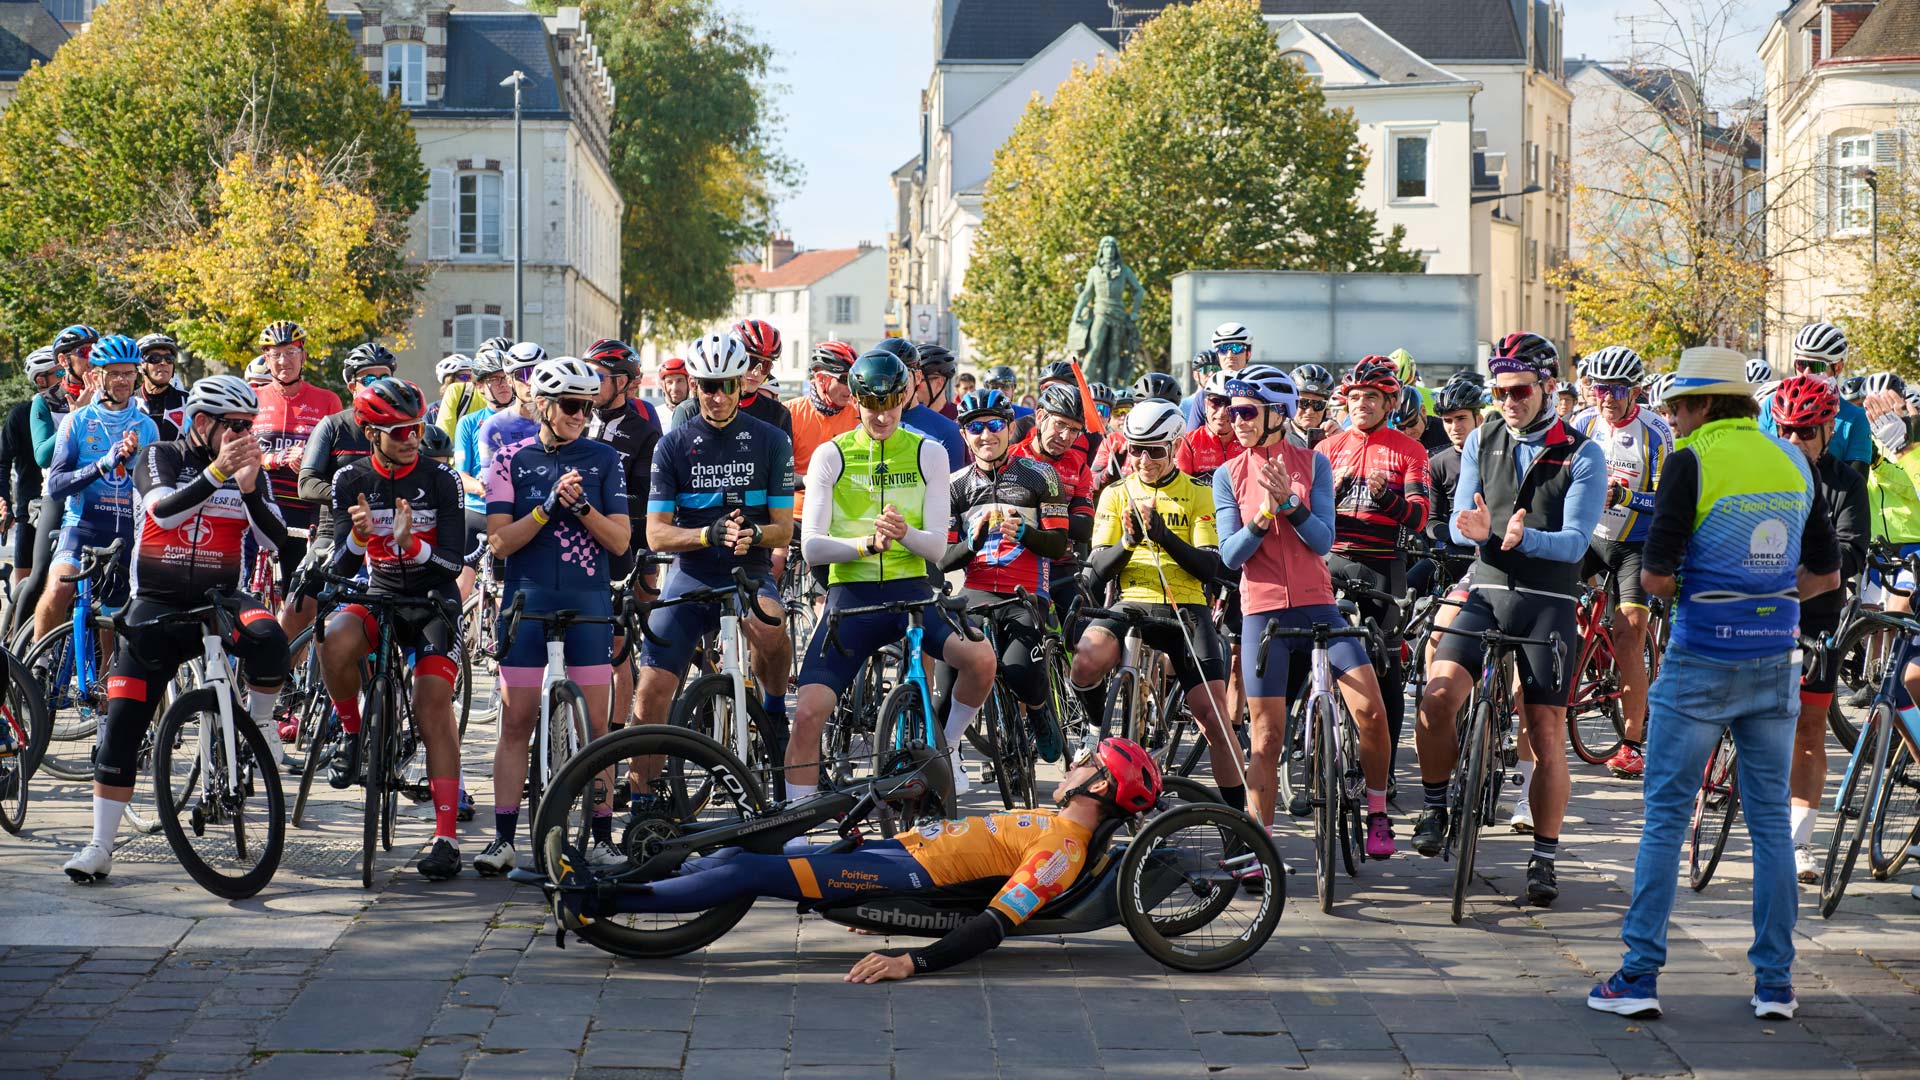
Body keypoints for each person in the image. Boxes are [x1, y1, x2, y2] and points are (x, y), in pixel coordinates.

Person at [1588, 346, 1841, 1023]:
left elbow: (1656, 574)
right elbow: (1826, 575)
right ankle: (1775, 984)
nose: (1670, 417)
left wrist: (1703, 588)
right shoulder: (1792, 459)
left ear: (1705, 405)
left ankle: (1638, 976)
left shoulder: (1690, 460)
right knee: (1769, 827)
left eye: (1677, 406)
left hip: (1702, 656)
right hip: (1773, 659)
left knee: (1665, 819)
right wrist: (1769, 594)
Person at [545, 738, 1161, 982]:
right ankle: (615, 878)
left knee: (750, 872)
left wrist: (910, 960)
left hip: (901, 874)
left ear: (1102, 787)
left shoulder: (1061, 852)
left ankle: (593, 901)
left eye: (1086, 761)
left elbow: (996, 925)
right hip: (896, 855)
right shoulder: (1058, 825)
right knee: (744, 846)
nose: (1075, 763)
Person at [61, 376, 294, 884]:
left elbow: (278, 544)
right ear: (203, 423)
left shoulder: (249, 472)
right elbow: (161, 511)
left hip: (220, 602)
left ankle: (258, 725)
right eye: (235, 426)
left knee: (272, 640)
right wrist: (216, 473)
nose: (245, 435)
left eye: (249, 426)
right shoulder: (159, 453)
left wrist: (251, 490)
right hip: (157, 604)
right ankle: (100, 844)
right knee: (123, 719)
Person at [1416, 331, 1606, 907]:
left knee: (1545, 732)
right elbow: (1459, 522)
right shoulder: (1482, 438)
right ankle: (1433, 803)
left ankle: (1545, 855)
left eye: (1520, 390)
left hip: (1546, 600)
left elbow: (1574, 544)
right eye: (1500, 391)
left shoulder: (1581, 452)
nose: (1508, 401)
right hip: (1487, 585)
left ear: (1546, 387)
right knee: (1437, 696)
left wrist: (1517, 539)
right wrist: (1472, 533)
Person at [789, 349, 997, 797]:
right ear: (856, 401)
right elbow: (812, 547)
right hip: (853, 595)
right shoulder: (831, 454)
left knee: (981, 661)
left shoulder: (930, 453)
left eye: (890, 406)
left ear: (905, 396)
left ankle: (949, 747)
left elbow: (938, 547)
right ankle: (797, 827)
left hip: (913, 594)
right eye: (870, 407)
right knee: (807, 714)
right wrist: (865, 543)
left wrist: (904, 534)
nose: (881, 417)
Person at [1215, 366, 1392, 849]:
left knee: (1372, 712)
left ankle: (1377, 810)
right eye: (1233, 411)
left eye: (1248, 411)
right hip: (1263, 613)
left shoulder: (1313, 464)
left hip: (1320, 607)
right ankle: (1258, 845)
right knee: (1266, 740)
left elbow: (1323, 541)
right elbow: (1231, 556)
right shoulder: (1227, 473)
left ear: (1278, 414)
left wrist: (1291, 504)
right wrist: (1263, 514)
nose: (1238, 419)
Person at [475, 358, 631, 875]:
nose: (580, 416)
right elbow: (499, 543)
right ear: (543, 404)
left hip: (589, 603)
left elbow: (621, 540)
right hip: (527, 601)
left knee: (597, 731)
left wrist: (583, 508)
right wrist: (543, 508)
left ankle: (603, 836)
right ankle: (502, 839)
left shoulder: (605, 458)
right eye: (569, 406)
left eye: (587, 407)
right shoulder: (509, 460)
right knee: (517, 721)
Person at [317, 378, 469, 879]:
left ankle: (445, 836)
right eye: (399, 429)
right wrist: (360, 539)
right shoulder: (349, 479)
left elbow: (452, 563)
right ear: (369, 431)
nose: (411, 436)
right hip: (380, 592)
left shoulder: (443, 479)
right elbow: (339, 566)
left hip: (431, 600)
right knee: (331, 640)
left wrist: (412, 546)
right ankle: (354, 732)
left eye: (417, 427)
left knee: (432, 707)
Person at [635, 332, 794, 793]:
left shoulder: (771, 440)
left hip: (750, 570)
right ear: (694, 384)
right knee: (650, 693)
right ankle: (645, 794)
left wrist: (756, 533)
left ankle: (775, 709)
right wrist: (706, 534)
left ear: (742, 384)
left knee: (772, 628)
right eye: (708, 386)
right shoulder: (674, 444)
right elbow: (656, 532)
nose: (719, 396)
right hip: (691, 573)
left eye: (727, 384)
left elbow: (784, 527)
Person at [1071, 401, 1236, 809]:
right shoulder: (1115, 494)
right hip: (1132, 603)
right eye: (1134, 449)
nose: (1143, 460)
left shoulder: (1199, 493)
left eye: (1155, 451)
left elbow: (1209, 567)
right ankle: (1095, 731)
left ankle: (1239, 823)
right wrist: (1128, 542)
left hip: (1185, 607)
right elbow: (1095, 574)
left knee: (1214, 719)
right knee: (1084, 663)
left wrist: (1164, 536)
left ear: (1176, 445)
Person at [1764, 376, 1867, 883]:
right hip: (1757, 615)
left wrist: (1796, 585)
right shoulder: (1760, 471)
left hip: (1816, 616)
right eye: (1784, 430)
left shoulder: (1845, 482)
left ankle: (1799, 842)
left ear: (1827, 430)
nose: (1794, 441)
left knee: (1808, 730)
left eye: (1805, 432)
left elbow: (1848, 555)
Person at [938, 389, 1070, 760]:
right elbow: (944, 560)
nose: (986, 435)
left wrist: (1027, 534)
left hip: (1026, 592)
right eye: (975, 428)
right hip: (975, 593)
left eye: (995, 424)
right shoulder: (955, 485)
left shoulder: (1041, 474)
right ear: (964, 435)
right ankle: (946, 759)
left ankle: (1041, 714)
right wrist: (973, 542)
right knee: (945, 688)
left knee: (1019, 673)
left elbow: (1059, 545)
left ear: (1011, 428)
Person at [1563, 346, 1672, 784]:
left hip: (1635, 544)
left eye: (1616, 389)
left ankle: (1631, 743)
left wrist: (1626, 496)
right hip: (1590, 536)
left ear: (1635, 391)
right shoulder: (1583, 422)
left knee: (1629, 637)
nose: (1606, 396)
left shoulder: (1657, 432)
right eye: (1599, 387)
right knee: (1549, 606)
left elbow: (1665, 500)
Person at [1319, 357, 1429, 788]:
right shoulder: (1326, 450)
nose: (1360, 404)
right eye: (1354, 397)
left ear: (1390, 402)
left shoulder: (1409, 450)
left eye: (1371, 398)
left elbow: (1418, 518)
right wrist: (1336, 493)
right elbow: (1305, 515)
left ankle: (1382, 771)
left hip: (1383, 564)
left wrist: (1387, 501)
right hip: (1333, 560)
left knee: (1384, 667)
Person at [35, 335, 161, 644]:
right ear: (97, 374)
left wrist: (133, 467)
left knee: (114, 626)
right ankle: (36, 667)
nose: (123, 380)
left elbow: (157, 490)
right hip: (82, 526)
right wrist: (103, 464)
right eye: (115, 372)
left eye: (129, 372)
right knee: (58, 587)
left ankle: (103, 692)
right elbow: (55, 485)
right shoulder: (77, 421)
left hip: (125, 535)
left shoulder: (147, 427)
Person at [253, 320, 342, 609]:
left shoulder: (327, 401)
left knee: (300, 601)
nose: (283, 361)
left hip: (307, 513)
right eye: (275, 354)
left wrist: (313, 460)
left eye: (291, 352)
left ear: (303, 355)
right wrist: (276, 459)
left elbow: (339, 461)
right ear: (266, 359)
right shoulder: (253, 399)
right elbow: (238, 454)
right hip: (263, 508)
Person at [296, 344, 393, 576]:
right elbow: (306, 484)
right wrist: (350, 501)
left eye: (385, 377)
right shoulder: (332, 426)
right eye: (369, 379)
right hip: (335, 530)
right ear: (352, 386)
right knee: (296, 604)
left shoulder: (400, 427)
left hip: (389, 532)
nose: (378, 384)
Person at [1012, 384, 1098, 622]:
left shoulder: (1079, 466)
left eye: (1074, 430)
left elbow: (1083, 528)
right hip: (1019, 563)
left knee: (1086, 642)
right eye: (1060, 424)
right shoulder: (1012, 458)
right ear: (1040, 416)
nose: (1065, 437)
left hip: (1061, 565)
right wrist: (1058, 517)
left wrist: (1038, 516)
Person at [1758, 322, 1872, 475]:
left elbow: (1855, 484)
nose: (1806, 373)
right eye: (1800, 364)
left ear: (1837, 367)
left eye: (1817, 367)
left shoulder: (1856, 418)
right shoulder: (1772, 403)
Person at [670, 322, 795, 442]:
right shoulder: (688, 411)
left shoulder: (779, 414)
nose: (757, 373)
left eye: (766, 365)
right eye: (752, 362)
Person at [0, 348, 61, 586]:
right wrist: (4, 501)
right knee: (26, 585)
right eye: (59, 372)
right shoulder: (20, 415)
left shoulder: (81, 409)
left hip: (67, 507)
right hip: (30, 510)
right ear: (40, 380)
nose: (66, 376)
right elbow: (2, 462)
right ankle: (16, 622)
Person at [786, 341, 861, 523]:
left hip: (844, 518)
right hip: (798, 518)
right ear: (821, 379)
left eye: (853, 379)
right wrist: (807, 480)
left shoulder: (859, 414)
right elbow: (774, 473)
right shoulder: (789, 413)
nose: (850, 388)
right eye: (844, 380)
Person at [1176, 371, 1245, 482]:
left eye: (1229, 403)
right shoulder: (1188, 443)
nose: (1222, 412)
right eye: (1215, 402)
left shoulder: (1248, 441)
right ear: (1205, 404)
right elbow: (1182, 490)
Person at [1186, 323, 1253, 431]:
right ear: (1218, 355)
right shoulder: (1204, 395)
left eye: (1237, 348)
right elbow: (1191, 441)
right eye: (1223, 349)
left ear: (1248, 353)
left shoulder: (1259, 389)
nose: (1230, 355)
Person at [134, 333, 187, 439]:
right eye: (155, 358)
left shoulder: (187, 401)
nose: (163, 363)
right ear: (141, 365)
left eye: (169, 358)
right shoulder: (130, 403)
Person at [1285, 365, 1337, 449]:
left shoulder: (1335, 433)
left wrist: (1343, 442)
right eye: (1303, 403)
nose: (1310, 411)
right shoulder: (1277, 435)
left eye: (1318, 404)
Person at [427, 353, 478, 433]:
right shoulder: (432, 410)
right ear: (449, 380)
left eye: (470, 377)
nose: (469, 381)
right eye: (464, 377)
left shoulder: (478, 405)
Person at [1179, 349, 1221, 433]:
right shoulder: (1183, 405)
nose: (1211, 373)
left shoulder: (1224, 400)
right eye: (1206, 369)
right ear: (1195, 375)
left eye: (1216, 369)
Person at [917, 343, 962, 422]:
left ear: (939, 383)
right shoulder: (901, 420)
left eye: (918, 381)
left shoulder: (962, 419)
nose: (910, 387)